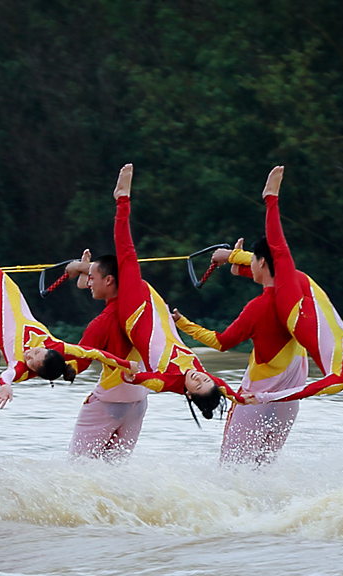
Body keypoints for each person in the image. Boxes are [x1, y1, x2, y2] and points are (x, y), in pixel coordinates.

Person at [0, 153, 135, 409]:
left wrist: (6, 386)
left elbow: (7, 375)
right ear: (49, 352)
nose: (30, 355)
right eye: (36, 355)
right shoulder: (56, 345)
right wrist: (126, 364)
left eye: (31, 361)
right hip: (6, 287)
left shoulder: (19, 366)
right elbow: (94, 353)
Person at [244, 166, 343, 404]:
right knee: (285, 272)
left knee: (280, 256)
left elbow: (305, 391)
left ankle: (271, 198)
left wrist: (262, 398)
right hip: (316, 300)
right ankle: (238, 266)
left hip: (295, 314)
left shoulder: (340, 379)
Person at [110, 164, 243, 422]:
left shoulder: (167, 382)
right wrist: (242, 399)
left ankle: (121, 199)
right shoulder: (203, 377)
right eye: (205, 379)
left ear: (189, 395)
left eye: (197, 384)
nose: (199, 377)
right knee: (120, 267)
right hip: (160, 316)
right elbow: (224, 387)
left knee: (127, 258)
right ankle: (85, 271)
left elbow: (138, 378)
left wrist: (131, 373)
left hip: (137, 317)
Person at [171, 234, 308, 465]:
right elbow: (279, 275)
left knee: (231, 470)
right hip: (288, 404)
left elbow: (221, 342)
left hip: (252, 400)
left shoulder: (257, 308)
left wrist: (182, 323)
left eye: (253, 259)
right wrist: (237, 264)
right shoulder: (299, 296)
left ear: (261, 261)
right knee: (263, 470)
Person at [62, 250, 148, 460]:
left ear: (109, 280)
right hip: (138, 403)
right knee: (115, 473)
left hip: (108, 403)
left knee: (78, 469)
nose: (89, 283)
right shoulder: (145, 305)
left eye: (93, 278)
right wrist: (83, 268)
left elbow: (78, 364)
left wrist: (45, 363)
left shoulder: (101, 324)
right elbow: (126, 278)